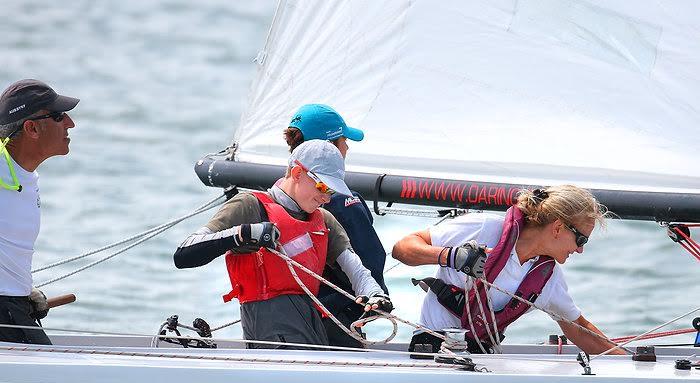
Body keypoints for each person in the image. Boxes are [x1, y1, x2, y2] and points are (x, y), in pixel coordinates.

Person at [174, 139, 392, 350]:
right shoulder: (249, 205)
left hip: (312, 329)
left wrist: (375, 295)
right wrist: (243, 234)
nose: (326, 198)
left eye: (331, 191)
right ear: (297, 173)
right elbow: (184, 253)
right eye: (323, 187)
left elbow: (357, 271)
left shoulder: (324, 219)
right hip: (269, 333)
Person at [392, 185, 625, 355]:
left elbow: (580, 329)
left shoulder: (548, 279)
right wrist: (451, 256)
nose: (580, 250)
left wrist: (627, 363)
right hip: (431, 352)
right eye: (581, 240)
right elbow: (402, 249)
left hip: (483, 361)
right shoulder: (483, 229)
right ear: (558, 228)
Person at [284, 104, 388, 348]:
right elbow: (370, 259)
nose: (347, 147)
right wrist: (376, 300)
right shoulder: (343, 201)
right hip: (338, 320)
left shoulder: (278, 196)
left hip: (293, 318)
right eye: (343, 141)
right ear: (328, 147)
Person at [0, 79, 79, 344]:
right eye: (58, 116)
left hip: (16, 306)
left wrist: (24, 290)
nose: (70, 123)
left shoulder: (25, 173)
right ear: (32, 128)